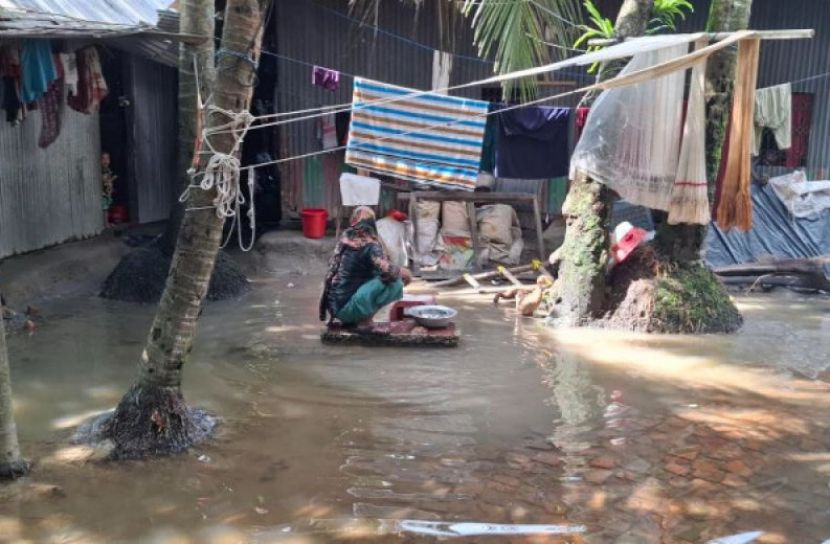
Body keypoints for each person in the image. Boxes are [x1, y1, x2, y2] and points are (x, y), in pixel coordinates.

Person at [320, 206, 411, 327]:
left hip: (335, 309)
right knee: (396, 282)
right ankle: (365, 321)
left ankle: (357, 316)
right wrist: (406, 273)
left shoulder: (345, 238)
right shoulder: (370, 244)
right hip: (347, 310)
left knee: (376, 274)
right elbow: (389, 271)